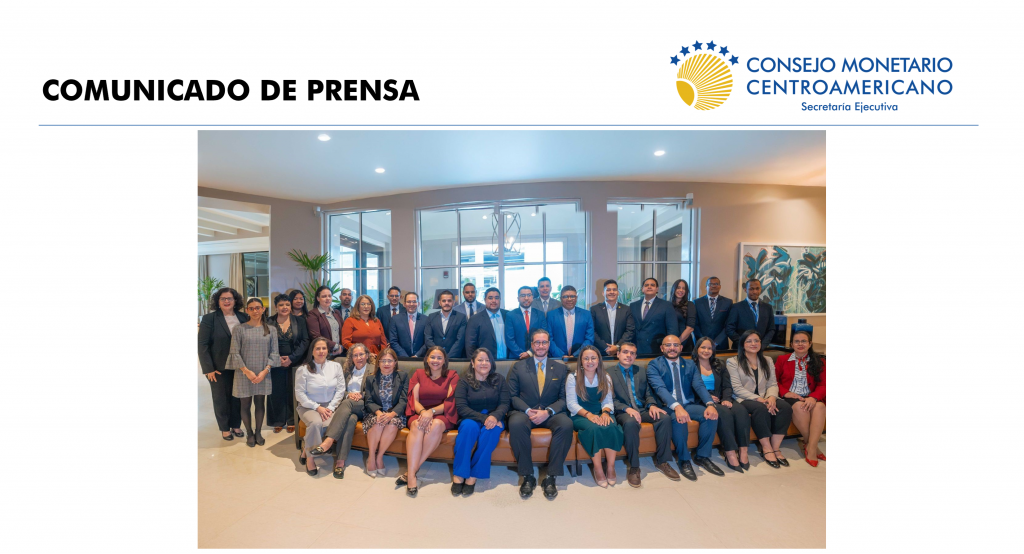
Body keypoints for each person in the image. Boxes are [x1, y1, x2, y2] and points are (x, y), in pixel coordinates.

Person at [506, 329, 573, 499]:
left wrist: (548, 412)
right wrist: (528, 410)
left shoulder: (560, 368)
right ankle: (527, 475)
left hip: (550, 413)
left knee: (566, 424)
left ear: (549, 344)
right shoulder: (518, 367)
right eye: (537, 342)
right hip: (525, 412)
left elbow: (564, 399)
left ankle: (551, 476)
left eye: (544, 342)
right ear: (532, 345)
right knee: (516, 423)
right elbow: (512, 396)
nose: (541, 346)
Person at [645, 335, 723, 480]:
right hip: (667, 406)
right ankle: (684, 459)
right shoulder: (654, 364)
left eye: (676, 345)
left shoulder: (689, 364)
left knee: (711, 416)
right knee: (679, 419)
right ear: (662, 348)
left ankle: (702, 456)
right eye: (668, 345)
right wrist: (677, 407)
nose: (672, 348)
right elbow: (660, 388)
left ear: (681, 348)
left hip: (688, 404)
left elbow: (699, 385)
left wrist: (710, 404)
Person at [608, 341, 678, 486]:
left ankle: (662, 462)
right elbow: (609, 398)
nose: (629, 355)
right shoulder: (608, 373)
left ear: (635, 356)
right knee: (630, 422)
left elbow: (648, 393)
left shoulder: (640, 371)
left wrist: (652, 405)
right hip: (623, 411)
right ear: (618, 354)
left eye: (632, 353)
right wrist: (626, 408)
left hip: (642, 409)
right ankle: (634, 467)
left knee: (664, 418)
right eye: (625, 352)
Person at [398, 346, 460, 496]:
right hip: (420, 412)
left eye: (439, 358)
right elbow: (414, 400)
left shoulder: (452, 375)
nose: (435, 360)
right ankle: (412, 476)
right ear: (426, 359)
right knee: (416, 425)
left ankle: (411, 472)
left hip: (442, 414)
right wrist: (423, 413)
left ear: (444, 360)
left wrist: (431, 412)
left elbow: (449, 402)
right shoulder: (418, 374)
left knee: (436, 424)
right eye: (432, 357)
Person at [726, 329, 793, 468]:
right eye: (749, 341)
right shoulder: (733, 362)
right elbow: (737, 388)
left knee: (785, 407)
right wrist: (759, 399)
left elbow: (772, 383)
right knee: (761, 409)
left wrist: (771, 397)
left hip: (765, 396)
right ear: (742, 344)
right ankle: (766, 447)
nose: (753, 344)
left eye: (756, 340)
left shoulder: (767, 360)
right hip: (744, 398)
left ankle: (775, 448)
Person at [306, 343, 372, 478]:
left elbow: (376, 391)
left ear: (367, 355)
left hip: (365, 405)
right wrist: (349, 394)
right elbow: (339, 389)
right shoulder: (347, 370)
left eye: (361, 354)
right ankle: (340, 462)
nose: (359, 358)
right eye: (355, 355)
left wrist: (361, 395)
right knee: (351, 420)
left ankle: (328, 441)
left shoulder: (373, 369)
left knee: (347, 403)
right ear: (351, 358)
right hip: (348, 407)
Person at [451, 348, 510, 496]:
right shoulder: (464, 381)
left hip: (494, 417)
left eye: (487, 360)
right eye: (480, 360)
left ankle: (473, 475)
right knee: (468, 428)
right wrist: (484, 418)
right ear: (472, 362)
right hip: (471, 417)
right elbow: (461, 407)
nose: (484, 363)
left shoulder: (499, 379)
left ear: (491, 363)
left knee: (492, 431)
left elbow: (504, 403)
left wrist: (495, 417)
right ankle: (459, 473)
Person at [225, 297, 281, 447]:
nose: (255, 311)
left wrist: (265, 371)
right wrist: (246, 371)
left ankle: (258, 432)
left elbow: (274, 353)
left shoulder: (271, 330)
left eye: (258, 308)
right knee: (245, 404)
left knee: (260, 403)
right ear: (247, 311)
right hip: (244, 372)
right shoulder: (239, 329)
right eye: (252, 308)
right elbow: (234, 352)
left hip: (263, 373)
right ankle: (249, 433)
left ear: (263, 310)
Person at [567, 345, 624, 488]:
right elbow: (571, 404)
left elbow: (608, 401)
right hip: (581, 415)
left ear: (598, 360)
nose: (590, 361)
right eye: (586, 358)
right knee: (594, 428)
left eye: (593, 358)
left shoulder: (605, 377)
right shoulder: (573, 377)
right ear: (581, 361)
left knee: (611, 426)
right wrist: (589, 415)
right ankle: (598, 469)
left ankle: (610, 467)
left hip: (601, 412)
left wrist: (605, 413)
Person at [692, 336, 748, 472]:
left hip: (721, 397)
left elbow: (727, 385)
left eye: (709, 348)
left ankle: (743, 451)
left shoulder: (719, 364)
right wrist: (707, 397)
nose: (706, 351)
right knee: (724, 413)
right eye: (703, 347)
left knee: (741, 410)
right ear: (697, 349)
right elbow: (689, 388)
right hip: (701, 399)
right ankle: (730, 453)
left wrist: (726, 398)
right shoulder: (690, 365)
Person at [198, 287, 247, 440]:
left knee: (237, 397)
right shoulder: (209, 319)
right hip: (218, 367)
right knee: (221, 398)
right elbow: (202, 345)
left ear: (235, 301)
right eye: (223, 298)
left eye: (229, 298)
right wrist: (208, 368)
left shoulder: (244, 317)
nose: (226, 301)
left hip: (240, 366)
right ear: (218, 301)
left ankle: (236, 425)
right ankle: (225, 428)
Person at [294, 337, 346, 476]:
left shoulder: (336, 366)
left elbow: (341, 389)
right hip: (308, 406)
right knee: (316, 423)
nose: (321, 351)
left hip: (330, 406)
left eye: (324, 348)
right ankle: (310, 459)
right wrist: (317, 407)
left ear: (328, 350)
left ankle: (306, 450)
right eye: (318, 348)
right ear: (312, 351)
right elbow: (300, 394)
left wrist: (331, 407)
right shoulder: (303, 369)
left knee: (330, 425)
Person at [775, 331, 826, 467]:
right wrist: (786, 392)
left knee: (820, 406)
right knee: (800, 407)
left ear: (810, 344)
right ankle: (812, 448)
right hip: (791, 397)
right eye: (797, 341)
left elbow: (824, 384)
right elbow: (774, 381)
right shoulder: (782, 359)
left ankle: (810, 446)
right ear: (792, 344)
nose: (800, 344)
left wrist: (813, 397)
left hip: (811, 395)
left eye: (804, 341)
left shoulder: (820, 361)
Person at [361, 347, 408, 477]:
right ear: (378, 363)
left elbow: (404, 400)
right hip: (375, 412)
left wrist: (392, 414)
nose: (386, 364)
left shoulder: (402, 376)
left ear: (395, 362)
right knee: (378, 422)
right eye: (383, 361)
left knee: (392, 424)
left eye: (390, 361)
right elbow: (368, 401)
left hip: (395, 413)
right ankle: (371, 457)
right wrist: (379, 413)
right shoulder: (371, 379)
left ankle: (379, 457)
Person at [267, 293, 309, 434]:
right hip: (275, 362)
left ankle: (292, 420)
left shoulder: (300, 321)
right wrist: (276, 359)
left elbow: (305, 341)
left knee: (293, 391)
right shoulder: (269, 321)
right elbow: (265, 342)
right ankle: (277, 421)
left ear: (291, 306)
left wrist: (291, 358)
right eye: (281, 305)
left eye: (287, 304)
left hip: (295, 361)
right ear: (276, 307)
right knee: (276, 392)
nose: (284, 307)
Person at [629, 278, 679, 356]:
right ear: (642, 289)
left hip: (657, 348)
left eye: (652, 285)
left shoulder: (666, 305)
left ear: (657, 289)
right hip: (636, 348)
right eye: (646, 285)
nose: (649, 287)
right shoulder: (633, 305)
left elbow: (672, 329)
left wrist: (668, 347)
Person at [546, 285, 595, 359]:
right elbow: (549, 338)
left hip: (580, 358)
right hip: (557, 358)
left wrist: (576, 355)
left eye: (572, 296)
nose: (569, 299)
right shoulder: (551, 315)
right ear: (561, 298)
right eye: (565, 297)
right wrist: (561, 355)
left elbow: (589, 338)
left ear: (576, 298)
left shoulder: (586, 314)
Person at [591, 279, 636, 357]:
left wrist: (617, 347)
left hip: (621, 352)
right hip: (600, 352)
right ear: (603, 293)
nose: (612, 292)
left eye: (614, 290)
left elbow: (630, 330)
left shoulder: (626, 309)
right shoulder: (595, 309)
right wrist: (605, 347)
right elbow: (592, 331)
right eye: (608, 290)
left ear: (618, 292)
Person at [725, 279, 775, 348]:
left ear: (760, 289)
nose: (755, 292)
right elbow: (729, 329)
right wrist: (744, 343)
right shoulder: (736, 307)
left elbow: (771, 329)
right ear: (745, 290)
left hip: (761, 348)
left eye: (757, 288)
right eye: (751, 289)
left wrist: (763, 344)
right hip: (741, 348)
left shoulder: (768, 308)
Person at [464, 287, 509, 359]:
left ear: (500, 299)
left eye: (496, 298)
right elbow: (470, 346)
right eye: (490, 298)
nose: (494, 301)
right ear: (485, 300)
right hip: (486, 362)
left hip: (508, 360)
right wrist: (474, 362)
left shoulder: (508, 315)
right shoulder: (475, 319)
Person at [506, 285, 549, 359]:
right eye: (523, 295)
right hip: (516, 357)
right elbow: (509, 339)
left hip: (537, 355)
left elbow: (544, 336)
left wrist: (530, 353)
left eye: (529, 295)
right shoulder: (510, 315)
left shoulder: (540, 314)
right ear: (518, 298)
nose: (526, 298)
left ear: (532, 297)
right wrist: (521, 354)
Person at [423, 290, 467, 358]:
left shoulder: (461, 317)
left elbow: (460, 340)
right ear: (439, 303)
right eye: (444, 301)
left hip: (454, 358)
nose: (446, 303)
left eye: (449, 301)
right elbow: (428, 338)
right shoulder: (431, 317)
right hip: (435, 357)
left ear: (453, 302)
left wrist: (448, 357)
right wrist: (438, 355)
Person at [693, 277, 732, 351]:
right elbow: (695, 324)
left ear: (720, 286)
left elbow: (728, 324)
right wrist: (704, 341)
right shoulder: (697, 302)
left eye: (716, 284)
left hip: (721, 344)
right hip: (701, 344)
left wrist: (716, 342)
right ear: (706, 287)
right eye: (710, 284)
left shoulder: (728, 302)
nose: (713, 286)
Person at [306, 285, 345, 358]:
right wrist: (335, 346)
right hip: (323, 354)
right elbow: (316, 336)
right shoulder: (313, 314)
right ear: (318, 298)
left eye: (329, 296)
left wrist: (341, 347)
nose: (327, 298)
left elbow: (343, 331)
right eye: (324, 296)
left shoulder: (336, 312)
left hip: (340, 352)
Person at [388, 291, 427, 357]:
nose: (411, 304)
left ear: (418, 304)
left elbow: (427, 341)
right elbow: (393, 341)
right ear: (404, 304)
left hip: (420, 358)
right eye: (409, 302)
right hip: (401, 358)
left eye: (414, 301)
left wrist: (417, 355)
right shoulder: (395, 319)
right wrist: (406, 357)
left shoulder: (426, 319)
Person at [669, 279, 697, 354]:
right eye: (678, 287)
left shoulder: (690, 305)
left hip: (685, 342)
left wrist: (677, 342)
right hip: (669, 343)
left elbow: (690, 328)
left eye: (683, 288)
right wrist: (670, 343)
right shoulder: (667, 305)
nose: (681, 290)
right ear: (674, 289)